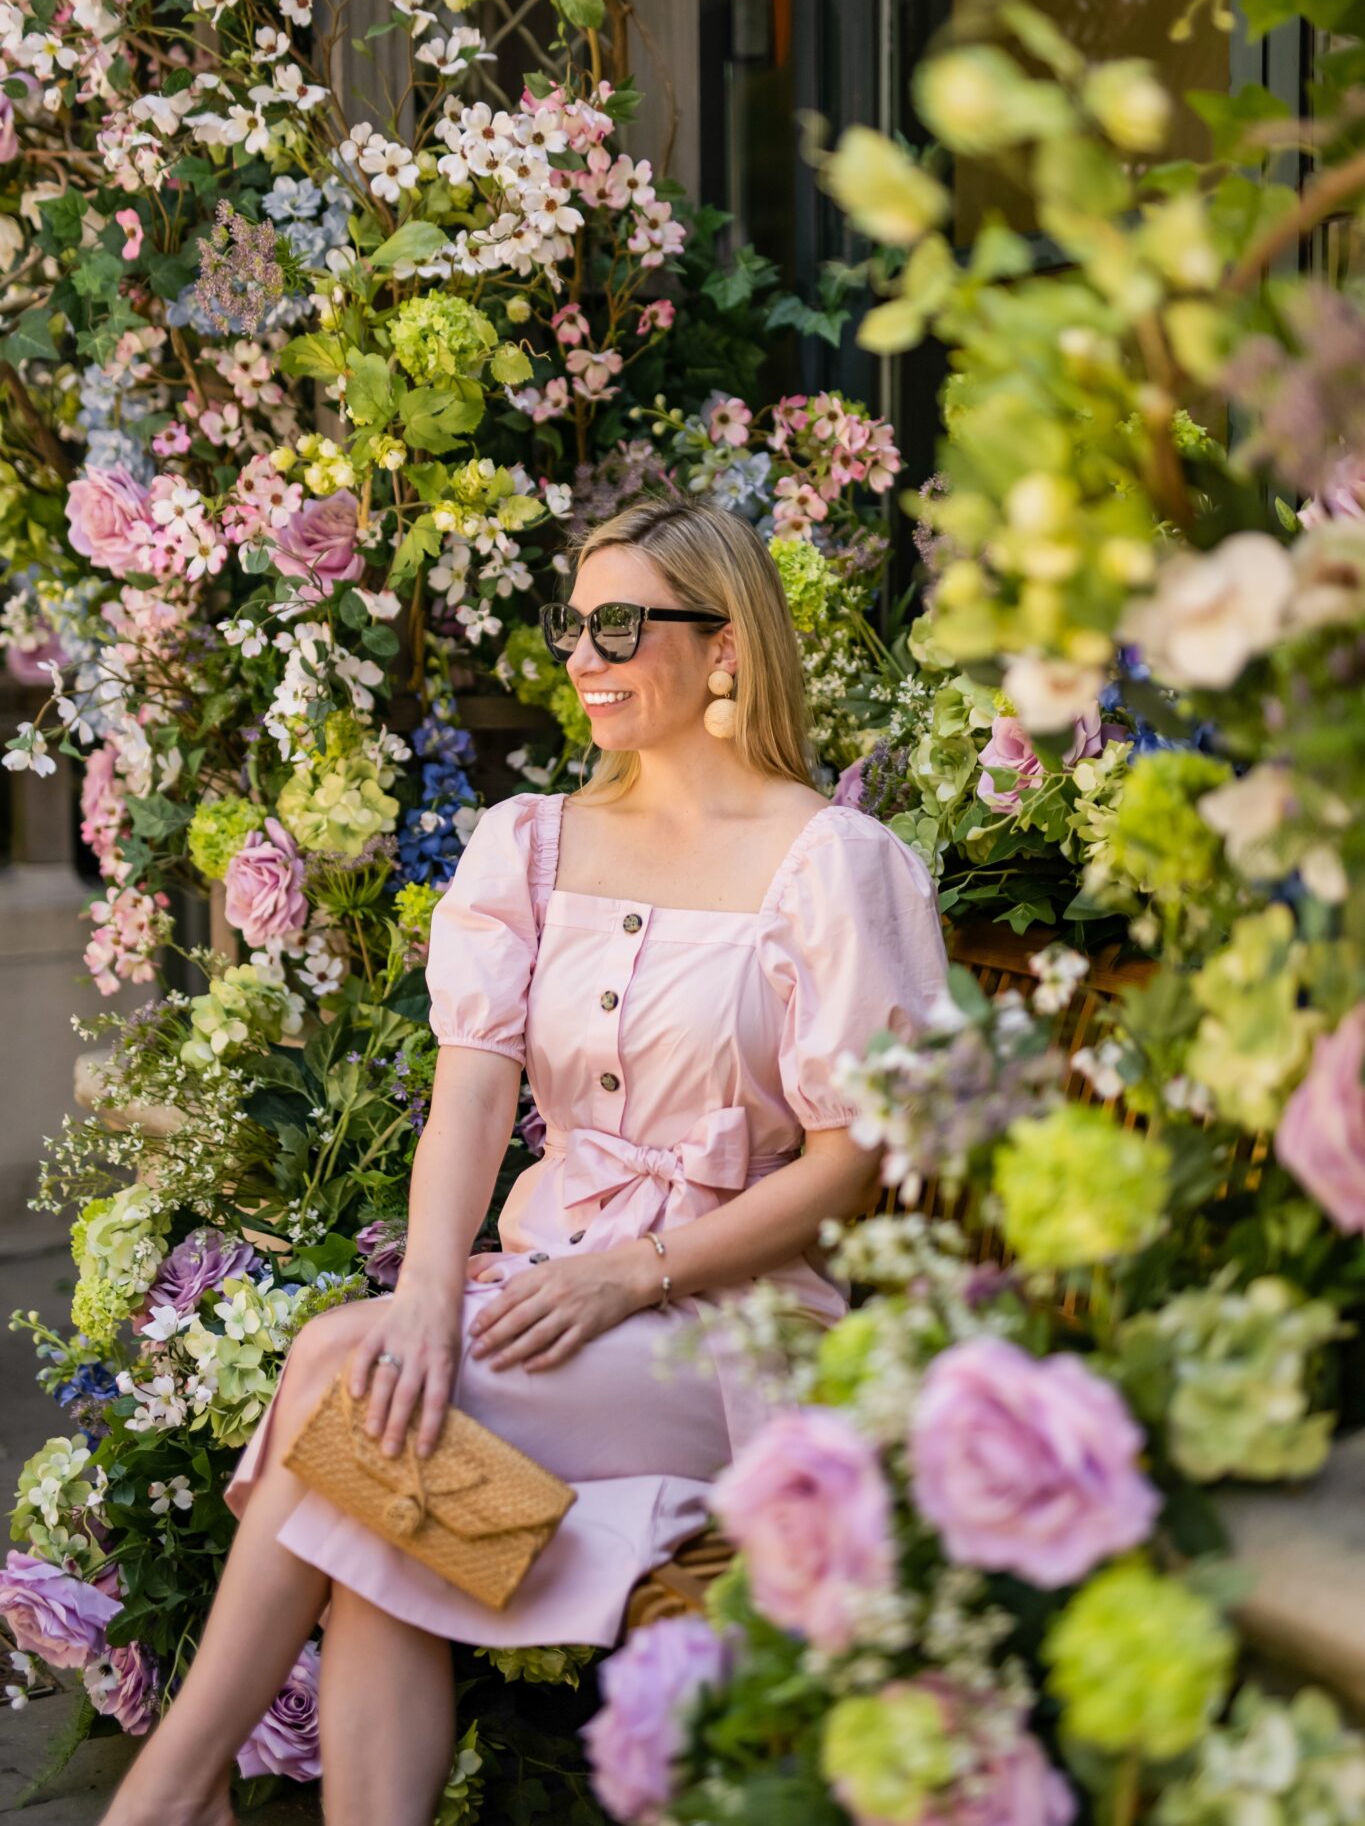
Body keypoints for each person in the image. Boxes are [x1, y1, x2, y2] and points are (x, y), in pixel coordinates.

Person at [101, 494, 950, 1826]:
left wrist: (636, 1273)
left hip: (721, 1326)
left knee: (352, 1392)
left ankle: (165, 1796)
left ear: (723, 646)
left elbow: (852, 1168)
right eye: (572, 624)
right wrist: (432, 1295)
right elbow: (469, 1104)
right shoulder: (532, 842)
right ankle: (180, 1797)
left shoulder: (832, 865)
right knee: (378, 1390)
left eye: (618, 623)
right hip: (536, 1289)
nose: (579, 655)